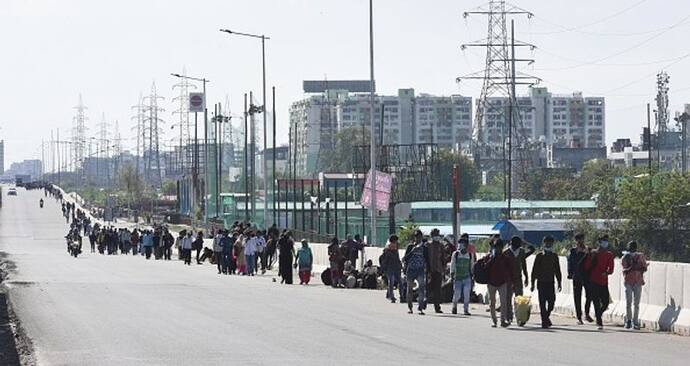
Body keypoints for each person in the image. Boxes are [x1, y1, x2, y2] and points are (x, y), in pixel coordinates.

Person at [583, 234, 615, 330]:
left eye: (606, 241)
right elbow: (586, 266)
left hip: (603, 282)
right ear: (600, 242)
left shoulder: (609, 255)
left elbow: (611, 268)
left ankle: (598, 315)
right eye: (604, 241)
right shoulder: (593, 253)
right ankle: (599, 322)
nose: (605, 242)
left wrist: (607, 272)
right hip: (593, 281)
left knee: (605, 303)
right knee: (596, 302)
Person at [530, 236, 562, 328]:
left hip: (550, 282)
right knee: (542, 303)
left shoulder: (554, 256)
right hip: (541, 282)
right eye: (547, 243)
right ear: (544, 243)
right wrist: (532, 283)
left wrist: (559, 282)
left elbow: (558, 270)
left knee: (551, 302)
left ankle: (546, 317)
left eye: (550, 243)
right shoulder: (539, 256)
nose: (549, 245)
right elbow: (534, 270)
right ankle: (544, 321)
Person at [504, 236, 535, 324]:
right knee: (508, 299)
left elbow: (524, 264)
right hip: (508, 279)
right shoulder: (506, 252)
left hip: (518, 278)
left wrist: (526, 277)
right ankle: (509, 317)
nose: (515, 248)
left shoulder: (521, 251)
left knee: (519, 299)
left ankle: (520, 317)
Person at [486, 239, 515, 327]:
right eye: (496, 247)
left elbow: (510, 271)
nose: (498, 249)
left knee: (503, 302)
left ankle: (503, 320)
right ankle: (494, 320)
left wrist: (511, 281)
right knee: (492, 303)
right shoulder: (489, 257)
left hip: (502, 283)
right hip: (491, 283)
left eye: (500, 247)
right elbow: (485, 268)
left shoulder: (506, 258)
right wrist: (491, 259)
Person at [567, 233, 593, 324]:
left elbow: (592, 261)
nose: (580, 241)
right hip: (577, 276)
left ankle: (587, 313)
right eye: (578, 240)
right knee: (577, 297)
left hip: (587, 276)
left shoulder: (588, 250)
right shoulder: (573, 251)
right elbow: (570, 262)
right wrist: (570, 273)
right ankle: (579, 317)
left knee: (589, 295)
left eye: (582, 239)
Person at [622, 240, 648, 330]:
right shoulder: (625, 257)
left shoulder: (640, 256)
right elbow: (625, 269)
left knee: (636, 303)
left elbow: (644, 268)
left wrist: (638, 267)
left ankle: (635, 322)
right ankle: (628, 320)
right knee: (628, 302)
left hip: (638, 281)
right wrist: (631, 267)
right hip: (628, 281)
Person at [403, 230, 429, 315]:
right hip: (411, 270)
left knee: (421, 289)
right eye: (416, 237)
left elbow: (427, 259)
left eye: (419, 237)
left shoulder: (424, 248)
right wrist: (412, 251)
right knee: (409, 289)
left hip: (420, 270)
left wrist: (428, 270)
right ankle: (410, 307)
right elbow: (405, 258)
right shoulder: (410, 246)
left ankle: (420, 307)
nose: (418, 239)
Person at [450, 238, 474, 315]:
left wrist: (472, 275)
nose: (461, 245)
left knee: (466, 293)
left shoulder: (470, 255)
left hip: (467, 277)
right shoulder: (456, 254)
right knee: (457, 293)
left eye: (462, 243)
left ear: (466, 245)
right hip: (458, 277)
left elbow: (471, 266)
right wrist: (452, 274)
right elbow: (452, 265)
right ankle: (454, 306)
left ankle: (466, 309)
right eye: (460, 243)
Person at [427, 228, 446, 313]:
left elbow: (443, 258)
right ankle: (424, 301)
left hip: (438, 270)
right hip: (429, 270)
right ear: (432, 236)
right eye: (435, 235)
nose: (436, 237)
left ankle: (437, 307)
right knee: (429, 288)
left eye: (437, 235)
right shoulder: (428, 245)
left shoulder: (441, 246)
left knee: (437, 289)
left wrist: (444, 270)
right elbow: (426, 257)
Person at [379, 235, 403, 303]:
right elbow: (385, 260)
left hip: (396, 268)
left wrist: (400, 265)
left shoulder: (395, 250)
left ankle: (401, 296)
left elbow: (397, 259)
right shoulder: (387, 251)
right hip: (390, 268)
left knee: (400, 283)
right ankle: (392, 297)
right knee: (391, 282)